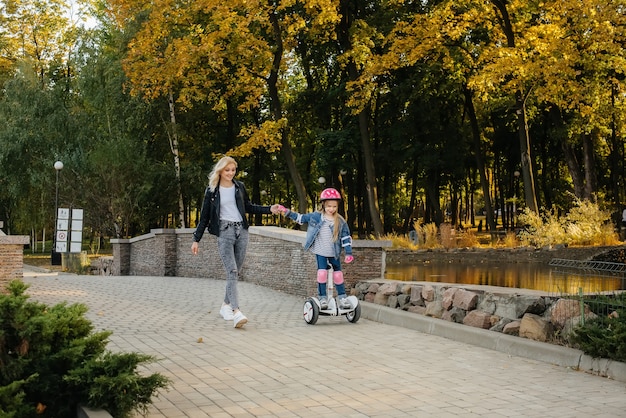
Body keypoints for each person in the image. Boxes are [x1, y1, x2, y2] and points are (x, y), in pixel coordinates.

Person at [191, 156, 281, 328]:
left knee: (235, 272)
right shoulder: (212, 191)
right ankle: (236, 311)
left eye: (233, 170)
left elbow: (248, 207)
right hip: (224, 232)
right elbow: (204, 218)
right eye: (227, 170)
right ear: (220, 171)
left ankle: (225, 306)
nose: (231, 173)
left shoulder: (239, 187)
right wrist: (196, 239)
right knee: (231, 271)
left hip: (242, 231)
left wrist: (269, 209)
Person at [278, 188, 354, 309]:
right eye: (329, 206)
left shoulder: (340, 221)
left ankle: (342, 297)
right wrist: (286, 211)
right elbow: (301, 218)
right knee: (322, 273)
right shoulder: (316, 217)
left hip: (334, 253)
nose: (331, 209)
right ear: (323, 204)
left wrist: (348, 253)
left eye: (334, 206)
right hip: (321, 252)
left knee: (338, 275)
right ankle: (322, 298)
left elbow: (345, 238)